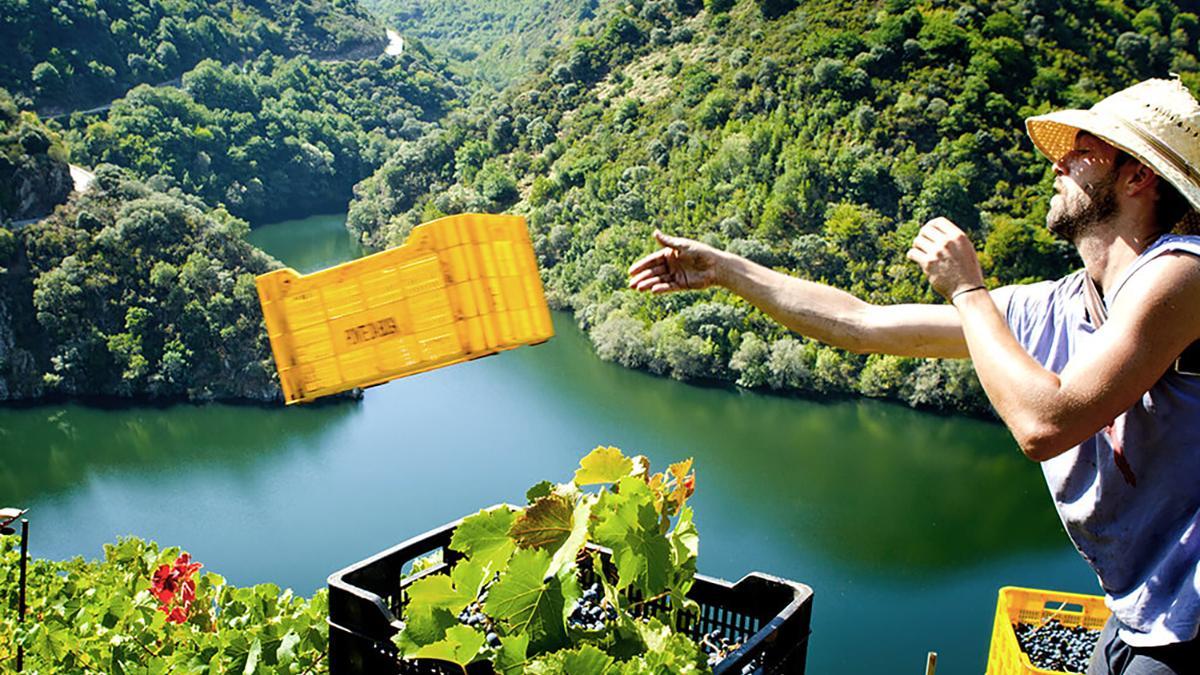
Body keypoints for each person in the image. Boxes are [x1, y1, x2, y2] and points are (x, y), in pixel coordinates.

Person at [627, 77, 1200, 674]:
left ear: (1139, 178)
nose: (1058, 162)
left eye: (1084, 150)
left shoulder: (1183, 272)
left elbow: (1044, 424)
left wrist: (968, 290)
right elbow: (863, 324)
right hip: (1143, 607)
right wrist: (726, 270)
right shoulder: (1059, 306)